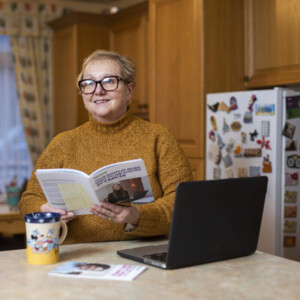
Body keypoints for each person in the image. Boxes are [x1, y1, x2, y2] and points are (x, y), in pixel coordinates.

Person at [18, 49, 193, 244]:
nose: (98, 90)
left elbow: (183, 203)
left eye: (109, 81)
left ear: (129, 91)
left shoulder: (159, 137)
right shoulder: (62, 143)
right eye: (89, 83)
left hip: (145, 254)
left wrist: (135, 215)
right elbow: (29, 199)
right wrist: (45, 209)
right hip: (78, 258)